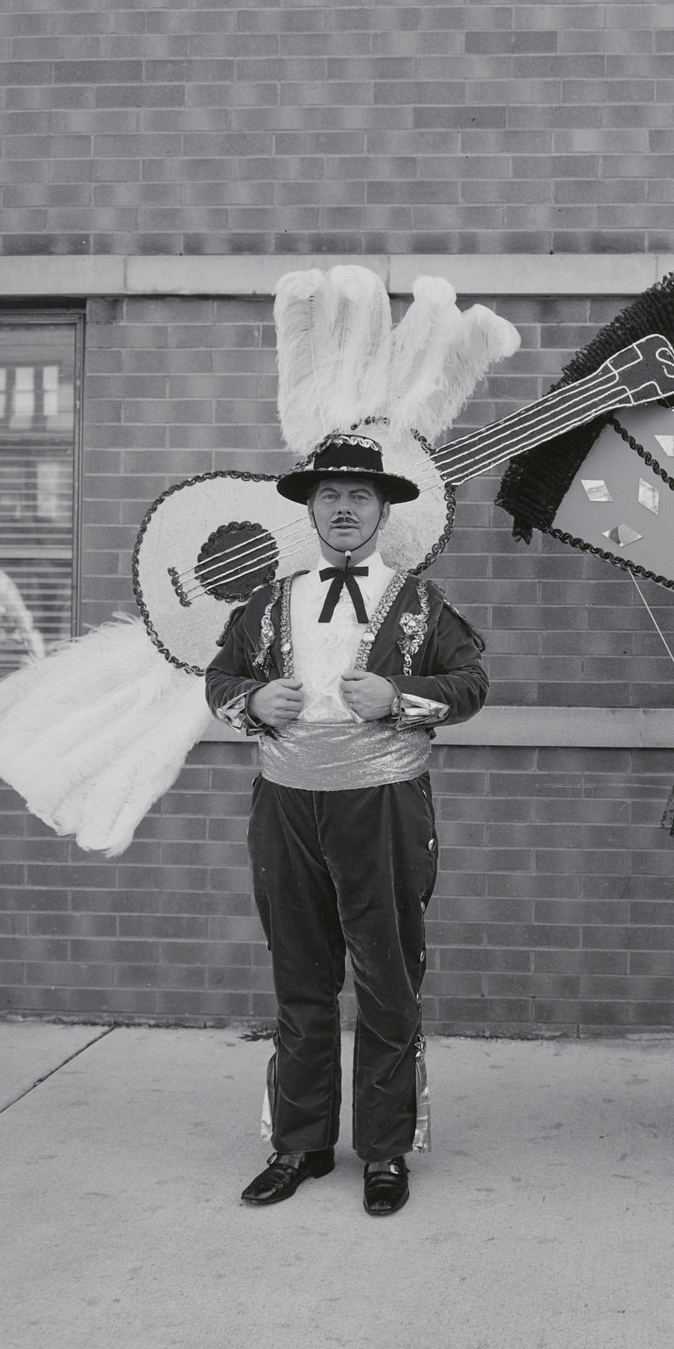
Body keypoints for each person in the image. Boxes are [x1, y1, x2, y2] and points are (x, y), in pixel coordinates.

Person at [206, 435, 488, 1215]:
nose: (343, 509)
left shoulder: (421, 603)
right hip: (286, 804)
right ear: (310, 508)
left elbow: (471, 684)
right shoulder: (268, 602)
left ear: (384, 509)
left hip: (383, 803)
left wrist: (399, 697)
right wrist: (251, 701)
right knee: (300, 976)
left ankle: (385, 1150)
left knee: (387, 979)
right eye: (329, 494)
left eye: (359, 495)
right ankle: (299, 1144)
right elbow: (220, 679)